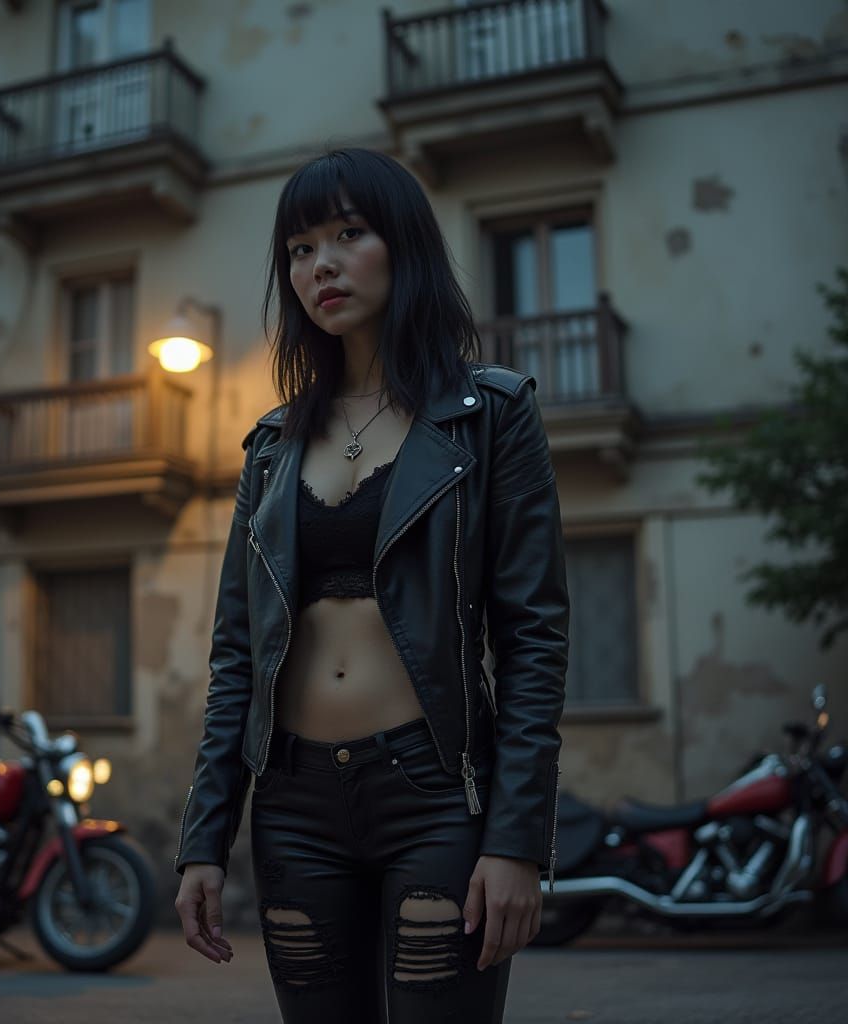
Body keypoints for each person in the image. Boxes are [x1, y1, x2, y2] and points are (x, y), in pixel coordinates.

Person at [173, 147, 569, 1022]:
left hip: (434, 796)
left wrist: (516, 843)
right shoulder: (271, 448)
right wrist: (203, 840)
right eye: (300, 248)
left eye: (349, 234)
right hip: (294, 807)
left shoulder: (491, 416)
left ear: (406, 246)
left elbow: (534, 637)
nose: (322, 264)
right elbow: (237, 654)